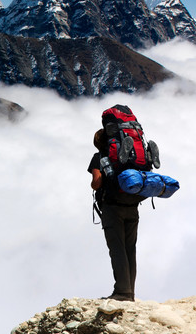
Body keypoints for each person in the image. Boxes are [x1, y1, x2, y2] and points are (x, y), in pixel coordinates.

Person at [88, 129, 143, 301]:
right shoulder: (128, 157)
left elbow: (97, 182)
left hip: (112, 208)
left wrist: (93, 184)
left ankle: (122, 292)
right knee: (130, 249)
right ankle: (130, 292)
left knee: (117, 248)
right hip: (132, 205)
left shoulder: (99, 157)